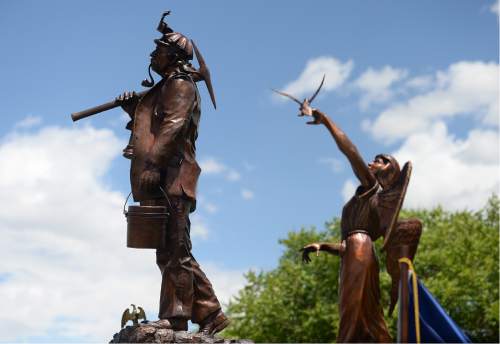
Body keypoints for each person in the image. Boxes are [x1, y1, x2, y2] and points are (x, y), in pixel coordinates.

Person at [117, 20, 229, 335]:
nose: (153, 54)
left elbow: (174, 126)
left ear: (174, 56)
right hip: (169, 174)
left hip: (174, 176)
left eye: (159, 49)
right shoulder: (167, 87)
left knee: (175, 249)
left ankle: (177, 317)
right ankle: (211, 313)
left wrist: (152, 164)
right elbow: (158, 124)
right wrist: (133, 112)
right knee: (172, 249)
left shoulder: (180, 85)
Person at [299, 103, 396, 342]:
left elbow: (350, 151)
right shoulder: (369, 198)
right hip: (356, 252)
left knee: (353, 312)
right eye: (374, 159)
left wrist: (326, 121)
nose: (373, 162)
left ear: (388, 173)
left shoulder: (371, 187)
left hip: (360, 251)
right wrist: (322, 245)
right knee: (360, 311)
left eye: (380, 161)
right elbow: (347, 245)